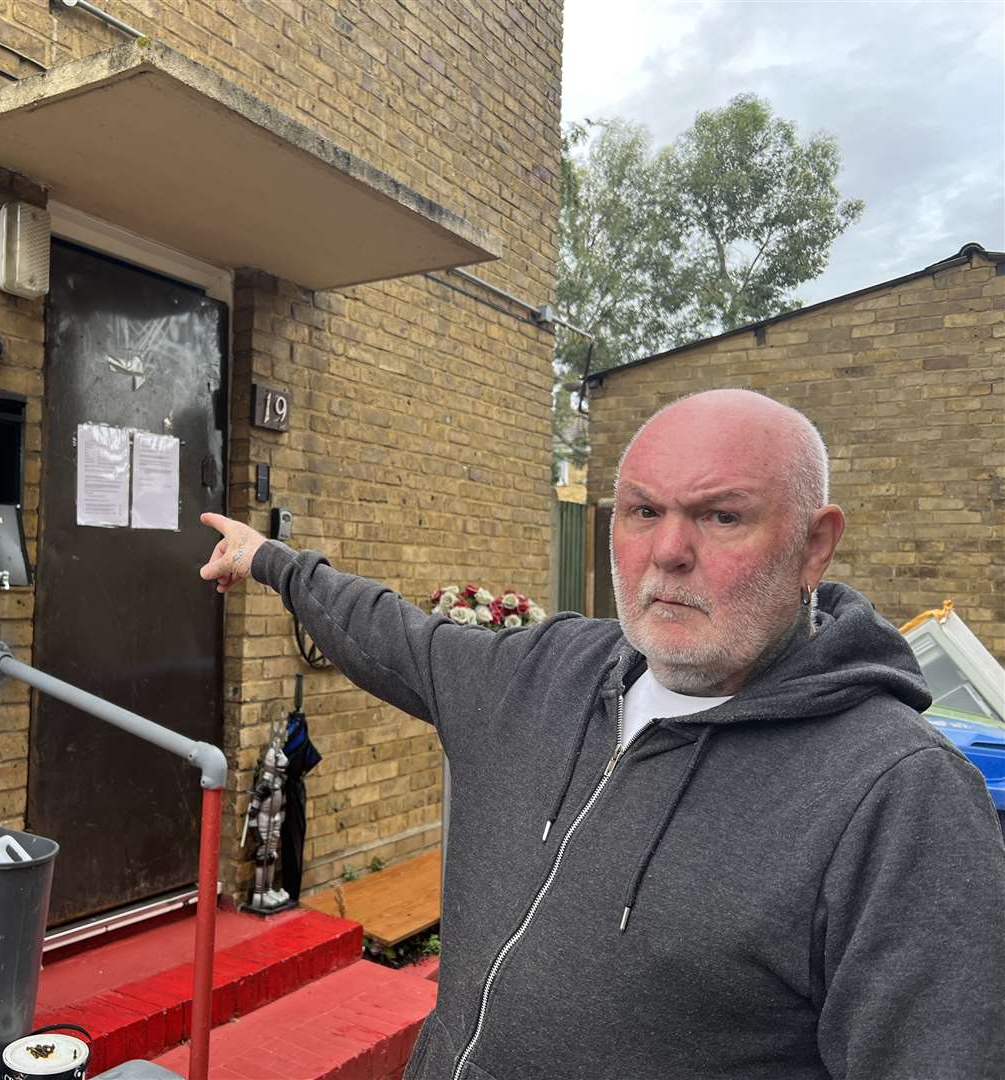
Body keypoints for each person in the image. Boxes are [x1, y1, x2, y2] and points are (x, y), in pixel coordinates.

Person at [199, 389, 1005, 1080]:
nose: (668, 553)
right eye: (643, 511)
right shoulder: (546, 673)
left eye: (722, 516)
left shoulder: (899, 794)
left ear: (814, 546)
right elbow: (394, 635)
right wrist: (272, 560)